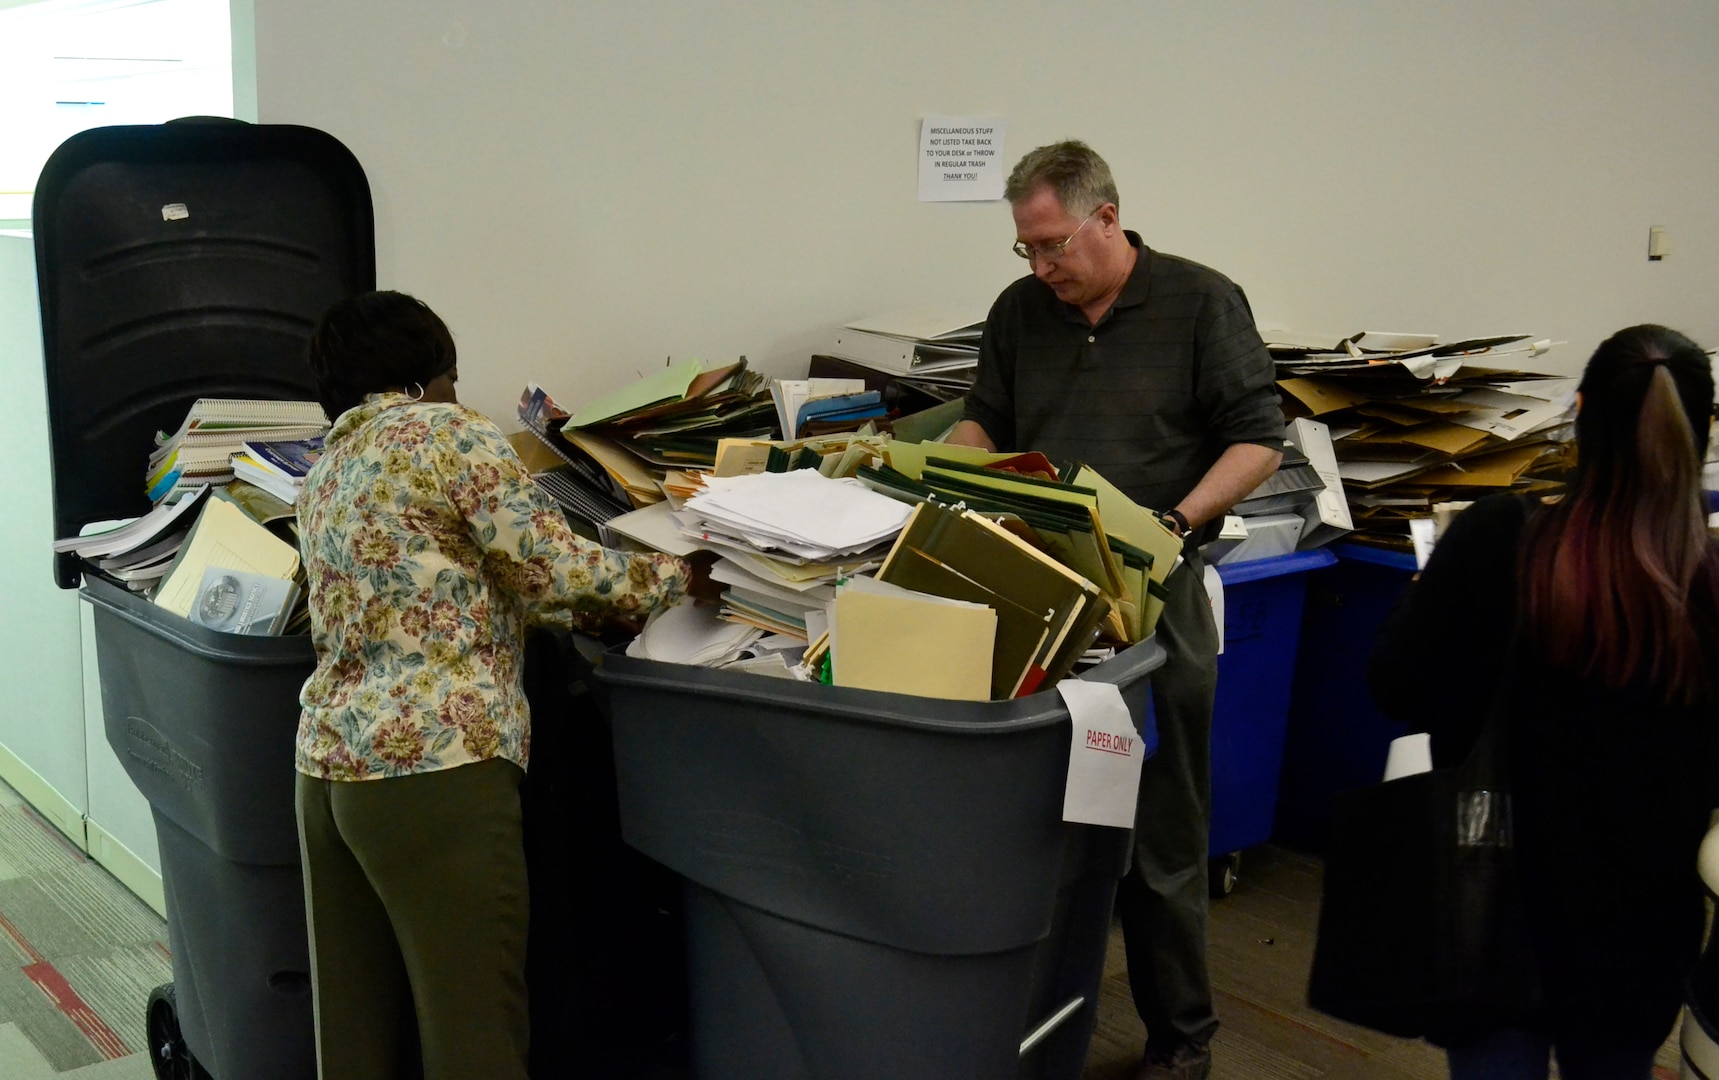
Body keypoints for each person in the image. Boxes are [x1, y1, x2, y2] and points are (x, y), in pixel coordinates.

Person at [293, 290, 694, 1079]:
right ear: (423, 378)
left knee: (355, 1042)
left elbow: (425, 594)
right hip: (437, 771)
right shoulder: (449, 433)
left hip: (328, 770)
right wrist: (684, 577)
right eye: (449, 375)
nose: (457, 392)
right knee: (473, 1030)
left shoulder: (325, 469)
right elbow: (556, 571)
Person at [947, 140, 1283, 1080]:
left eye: (1054, 244)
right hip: (1045, 585)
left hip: (1154, 592)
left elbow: (1259, 439)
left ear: (1106, 217)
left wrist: (1171, 522)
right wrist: (946, 477)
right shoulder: (1021, 312)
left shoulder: (1198, 301)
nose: (1042, 267)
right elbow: (986, 420)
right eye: (1027, 250)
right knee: (1043, 820)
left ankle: (1182, 1039)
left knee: (1161, 829)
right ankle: (1037, 1019)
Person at [1369, 324, 1719, 1080]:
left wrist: (1424, 599)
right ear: (1705, 428)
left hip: (1493, 908)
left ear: (1580, 409)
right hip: (1640, 931)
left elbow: (1392, 684)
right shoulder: (1709, 578)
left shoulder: (1499, 539)